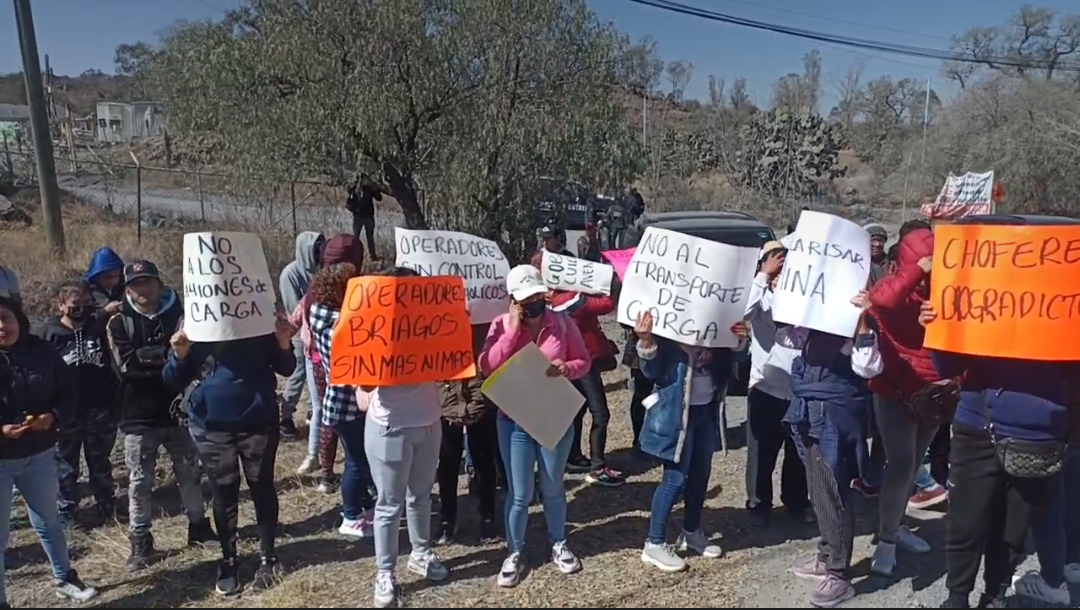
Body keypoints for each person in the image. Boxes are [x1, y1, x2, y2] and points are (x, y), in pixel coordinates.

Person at [920, 302, 1071, 608]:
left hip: (1037, 429)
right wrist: (937, 328)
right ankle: (957, 599)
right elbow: (947, 366)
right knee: (965, 521)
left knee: (1013, 528)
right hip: (977, 424)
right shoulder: (984, 286)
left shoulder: (1064, 287)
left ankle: (995, 596)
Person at [163, 307, 297, 596]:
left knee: (261, 486)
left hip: (258, 421)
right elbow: (172, 378)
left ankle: (268, 557)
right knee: (224, 491)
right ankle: (229, 560)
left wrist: (283, 341)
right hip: (210, 425)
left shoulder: (258, 315)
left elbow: (286, 367)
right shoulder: (196, 317)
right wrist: (180, 354)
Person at [478, 264, 590, 587]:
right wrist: (513, 330)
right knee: (520, 493)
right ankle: (514, 551)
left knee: (553, 484)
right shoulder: (500, 325)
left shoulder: (563, 324)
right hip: (513, 422)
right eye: (526, 300)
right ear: (513, 301)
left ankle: (558, 542)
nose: (533, 305)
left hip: (553, 415)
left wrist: (566, 367)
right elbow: (488, 365)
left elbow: (583, 361)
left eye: (537, 297)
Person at [105, 260, 213, 570]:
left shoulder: (180, 317)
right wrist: (168, 360)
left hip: (177, 411)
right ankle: (140, 540)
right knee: (139, 481)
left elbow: (190, 360)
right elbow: (127, 368)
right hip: (136, 416)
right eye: (136, 283)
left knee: (191, 472)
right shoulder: (117, 323)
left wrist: (159, 359)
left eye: (148, 281)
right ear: (127, 289)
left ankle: (199, 527)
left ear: (159, 283)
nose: (144, 288)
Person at [785, 291, 884, 607]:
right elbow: (787, 339)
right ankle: (827, 555)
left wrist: (865, 323)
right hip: (809, 415)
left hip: (835, 421)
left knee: (834, 495)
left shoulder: (860, 326)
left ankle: (839, 575)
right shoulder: (815, 324)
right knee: (819, 490)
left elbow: (868, 368)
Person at [0, 295, 99, 604]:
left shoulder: (42, 352)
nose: (2, 326)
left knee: (48, 519)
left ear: (19, 320)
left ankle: (64, 577)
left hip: (39, 454)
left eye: (6, 318)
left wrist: (53, 416)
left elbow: (68, 392)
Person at [634, 310, 745, 573]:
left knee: (699, 475)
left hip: (706, 411)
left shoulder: (716, 324)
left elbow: (737, 358)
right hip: (676, 416)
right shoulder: (670, 328)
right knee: (674, 479)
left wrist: (739, 339)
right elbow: (650, 372)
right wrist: (646, 341)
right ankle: (655, 542)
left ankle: (692, 531)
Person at [866, 227, 946, 577]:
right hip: (896, 394)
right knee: (900, 466)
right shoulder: (894, 287)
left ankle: (896, 525)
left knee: (913, 466)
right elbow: (883, 301)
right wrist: (919, 271)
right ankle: (885, 541)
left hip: (935, 395)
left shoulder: (946, 292)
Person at [36, 279, 118, 526]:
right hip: (64, 410)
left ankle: (106, 504)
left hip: (98, 406)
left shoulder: (98, 327)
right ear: (60, 305)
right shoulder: (47, 334)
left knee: (100, 460)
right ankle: (67, 511)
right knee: (65, 465)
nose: (81, 308)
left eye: (85, 303)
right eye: (74, 304)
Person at [308, 260, 379, 542]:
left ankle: (362, 508)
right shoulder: (335, 324)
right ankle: (350, 516)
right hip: (344, 403)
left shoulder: (324, 316)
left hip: (345, 403)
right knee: (357, 462)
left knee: (359, 459)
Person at [743, 242, 812, 527]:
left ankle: (796, 501)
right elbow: (743, 311)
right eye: (775, 264)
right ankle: (759, 504)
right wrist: (762, 276)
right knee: (761, 451)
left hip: (799, 390)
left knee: (798, 451)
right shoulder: (760, 300)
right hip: (765, 388)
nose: (780, 269)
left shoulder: (805, 300)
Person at [543, 261, 622, 486]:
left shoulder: (555, 300)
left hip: (574, 360)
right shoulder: (571, 299)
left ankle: (574, 456)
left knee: (577, 410)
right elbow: (606, 304)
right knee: (601, 414)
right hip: (584, 362)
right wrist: (604, 284)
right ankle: (598, 467)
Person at [436, 321, 499, 545]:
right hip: (446, 401)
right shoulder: (435, 322)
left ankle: (487, 516)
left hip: (479, 397)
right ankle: (447, 520)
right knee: (447, 464)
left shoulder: (485, 323)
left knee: (484, 463)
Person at [277, 231, 325, 440]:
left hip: (321, 332)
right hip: (299, 333)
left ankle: (316, 413)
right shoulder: (290, 274)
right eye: (316, 249)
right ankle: (284, 417)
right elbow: (292, 308)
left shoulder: (322, 270)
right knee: (298, 376)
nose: (320, 253)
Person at [345, 178, 382, 260]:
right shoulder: (354, 190)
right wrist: (355, 210)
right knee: (355, 237)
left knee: (370, 237)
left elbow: (379, 198)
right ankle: (354, 255)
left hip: (368, 216)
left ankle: (373, 256)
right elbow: (348, 204)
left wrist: (374, 187)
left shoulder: (368, 189)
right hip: (358, 216)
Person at [85, 246, 125, 319]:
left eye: (116, 276)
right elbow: (82, 320)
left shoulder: (126, 287)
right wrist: (104, 311)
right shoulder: (85, 292)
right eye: (107, 277)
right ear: (96, 277)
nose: (112, 281)